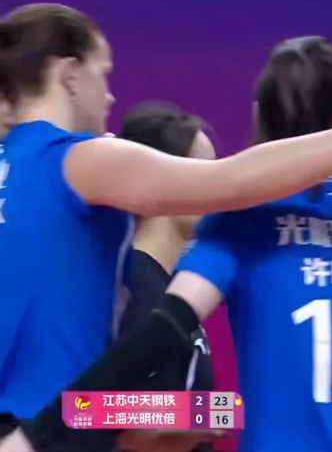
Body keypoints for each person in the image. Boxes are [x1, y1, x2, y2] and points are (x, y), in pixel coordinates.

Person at [9, 36, 332, 452]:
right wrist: (217, 411)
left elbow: (147, 392)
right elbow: (123, 409)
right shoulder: (144, 279)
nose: (225, 181)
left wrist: (224, 410)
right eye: (202, 168)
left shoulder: (210, 257)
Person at [116, 102, 218, 452]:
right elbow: (96, 412)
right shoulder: (131, 287)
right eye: (207, 172)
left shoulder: (168, 286)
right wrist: (227, 411)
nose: (223, 187)